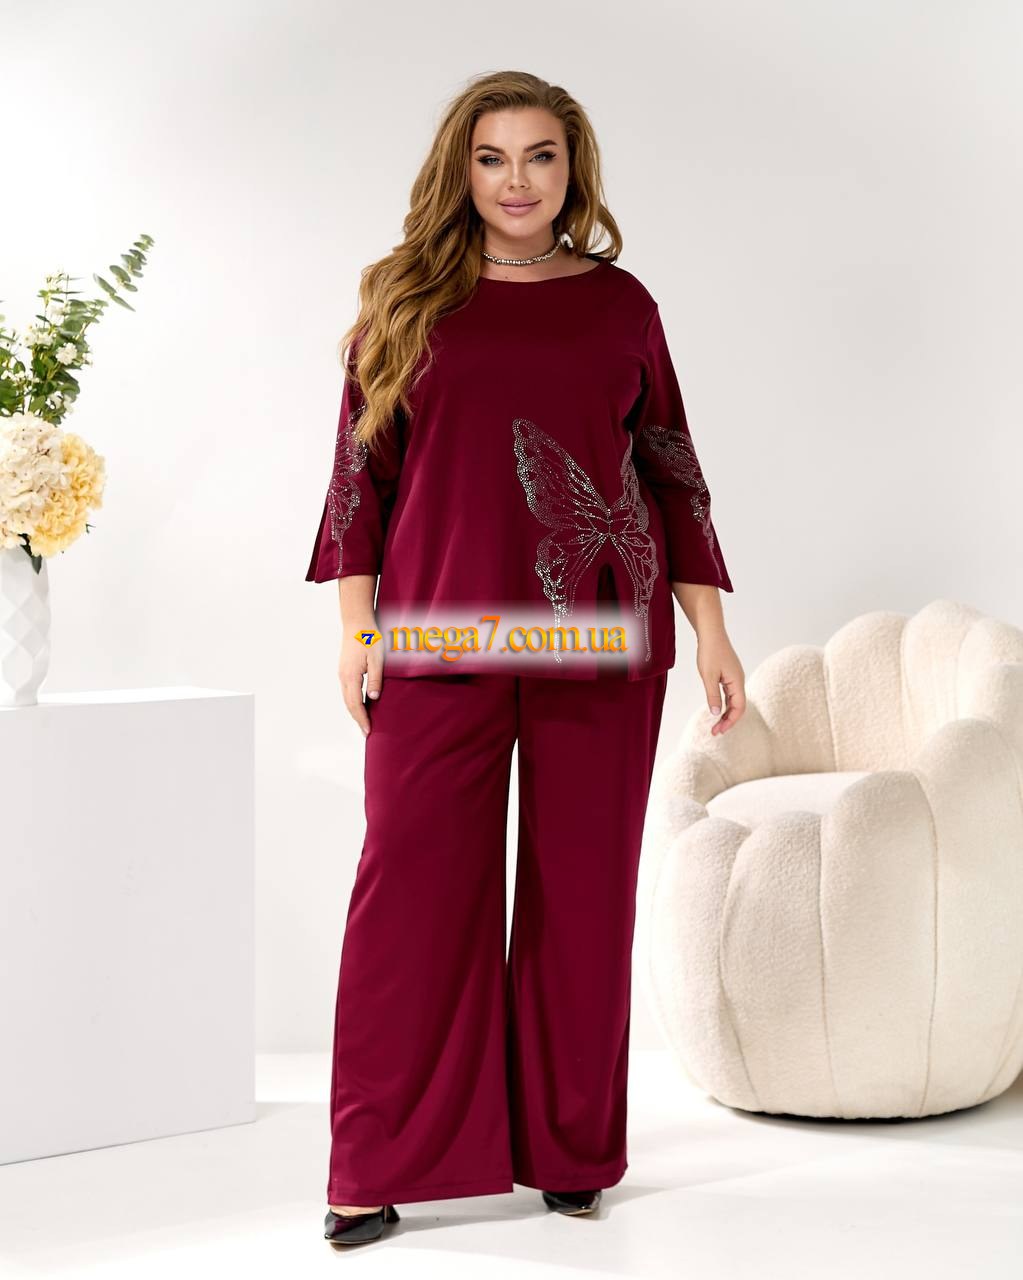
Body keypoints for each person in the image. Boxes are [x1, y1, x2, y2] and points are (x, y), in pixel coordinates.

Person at [307, 70, 747, 1246]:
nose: (517, 180)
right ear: (461, 170)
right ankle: (373, 1161)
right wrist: (355, 628)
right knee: (409, 896)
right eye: (493, 157)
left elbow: (671, 468)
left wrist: (710, 629)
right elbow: (359, 478)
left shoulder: (621, 304)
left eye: (540, 156)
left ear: (571, 169)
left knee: (583, 898)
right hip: (438, 636)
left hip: (600, 640)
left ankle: (569, 1148)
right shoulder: (404, 298)